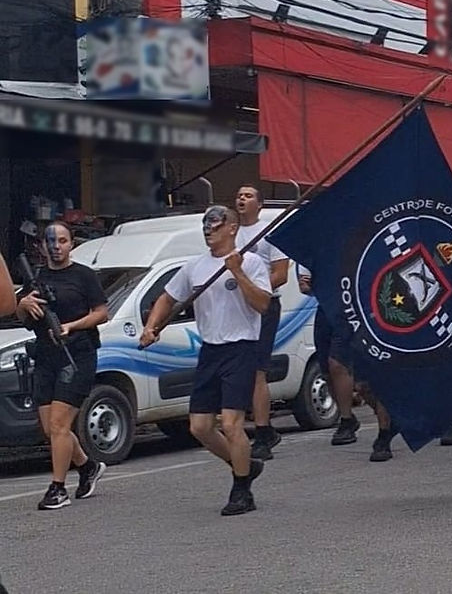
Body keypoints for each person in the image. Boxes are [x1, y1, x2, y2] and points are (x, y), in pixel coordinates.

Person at [140, 206, 270, 516]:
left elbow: (263, 304)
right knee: (199, 427)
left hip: (240, 348)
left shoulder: (251, 262)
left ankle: (242, 490)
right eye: (205, 224)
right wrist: (151, 326)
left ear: (232, 228)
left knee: (232, 423)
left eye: (215, 223)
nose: (208, 229)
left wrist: (237, 272)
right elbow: (167, 297)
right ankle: (243, 464)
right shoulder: (194, 267)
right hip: (210, 349)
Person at [16, 222, 108, 510]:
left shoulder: (83, 275)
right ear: (43, 246)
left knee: (59, 424)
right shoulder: (36, 278)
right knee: (51, 428)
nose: (56, 246)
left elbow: (102, 313)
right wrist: (24, 305)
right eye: (51, 241)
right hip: (46, 356)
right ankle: (87, 466)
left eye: (62, 241)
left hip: (76, 355)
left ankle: (58, 488)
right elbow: (23, 318)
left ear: (71, 244)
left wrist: (72, 326)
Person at [296, 266, 398, 461]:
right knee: (328, 373)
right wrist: (307, 285)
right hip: (327, 309)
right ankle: (362, 419)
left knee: (357, 373)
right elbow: (306, 284)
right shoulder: (317, 251)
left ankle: (382, 434)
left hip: (358, 309)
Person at [235, 186, 290, 460]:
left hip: (263, 307)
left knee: (257, 370)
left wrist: (253, 289)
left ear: (259, 204)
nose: (241, 199)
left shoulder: (270, 233)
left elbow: (281, 274)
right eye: (239, 195)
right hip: (236, 308)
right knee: (240, 368)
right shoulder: (230, 234)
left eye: (248, 196)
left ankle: (263, 431)